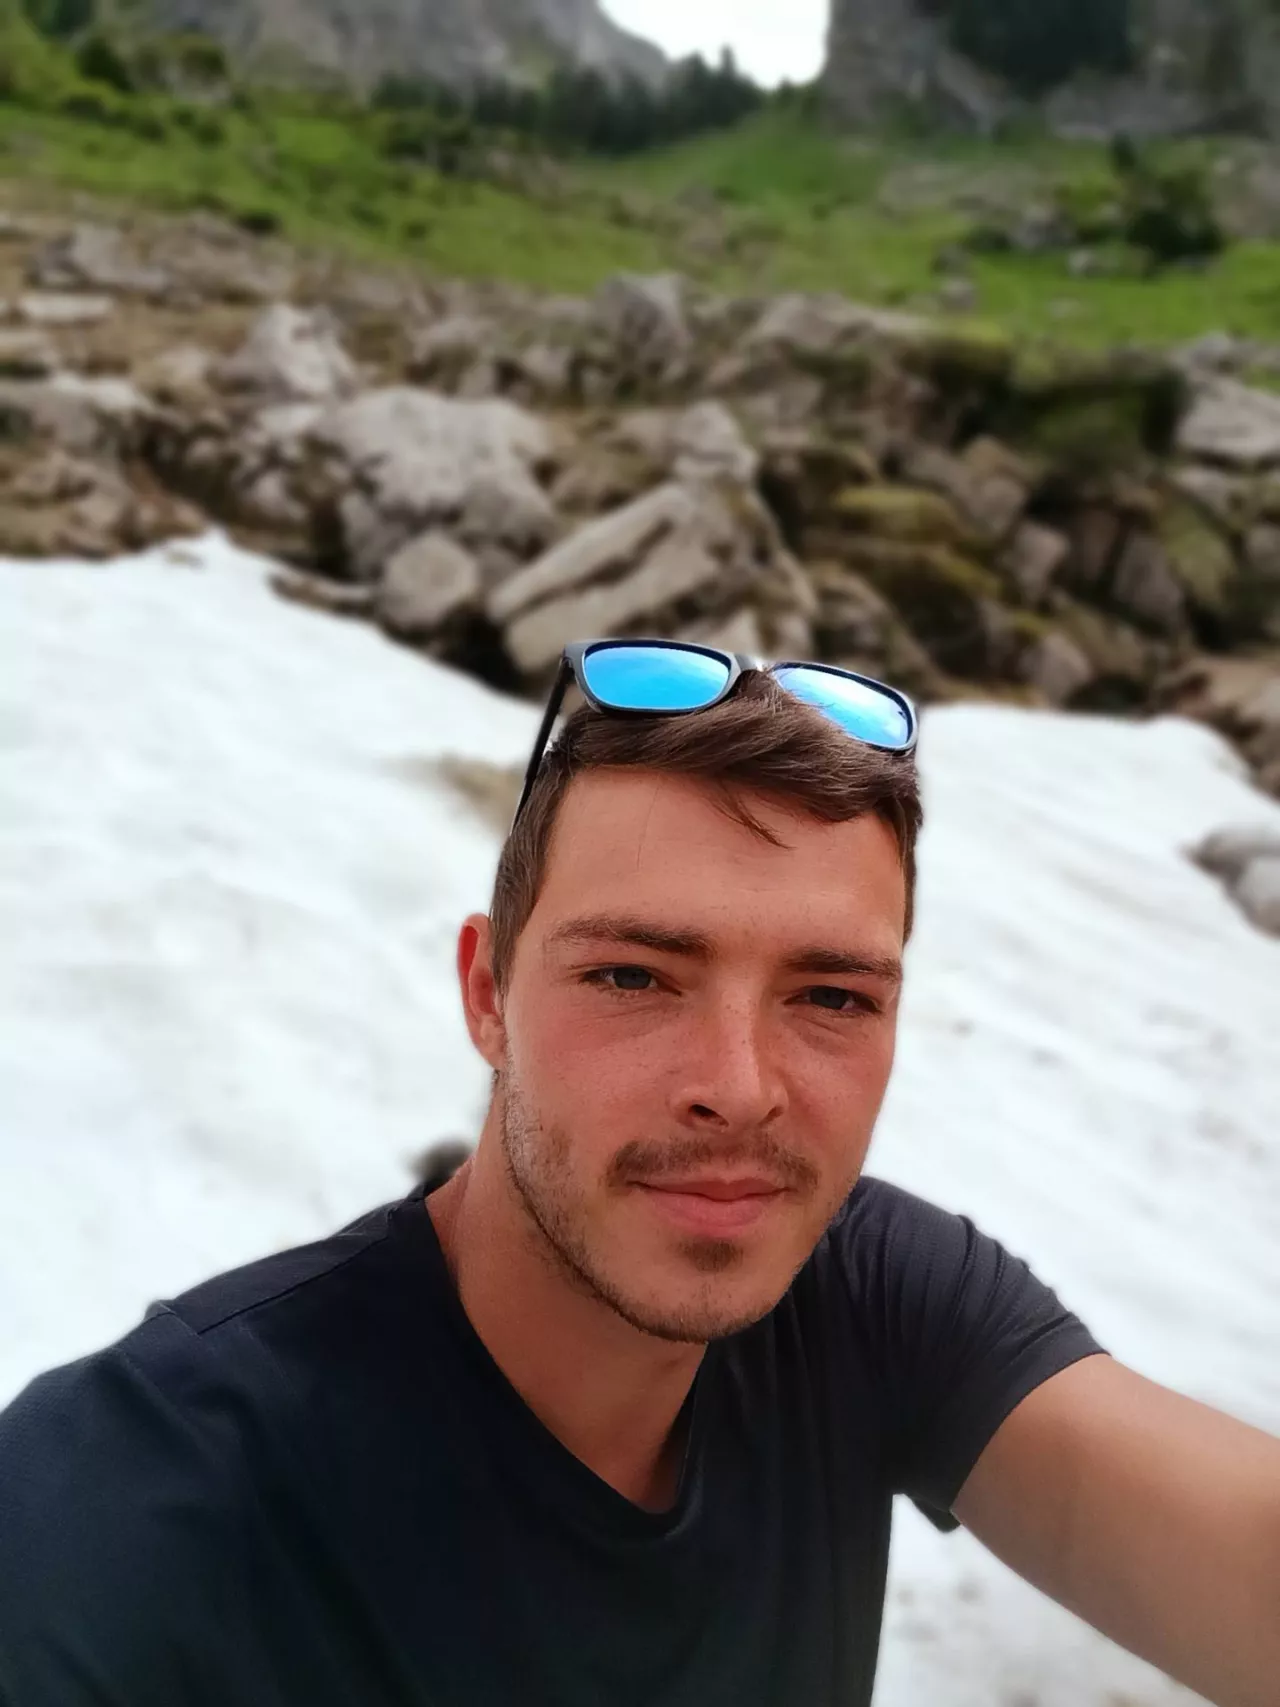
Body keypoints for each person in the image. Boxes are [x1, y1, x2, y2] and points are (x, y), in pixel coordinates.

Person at [0, 640, 1275, 1707]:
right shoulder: (128, 1506)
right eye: (631, 976)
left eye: (830, 996)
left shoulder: (870, 1299)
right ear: (487, 995)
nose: (739, 1084)